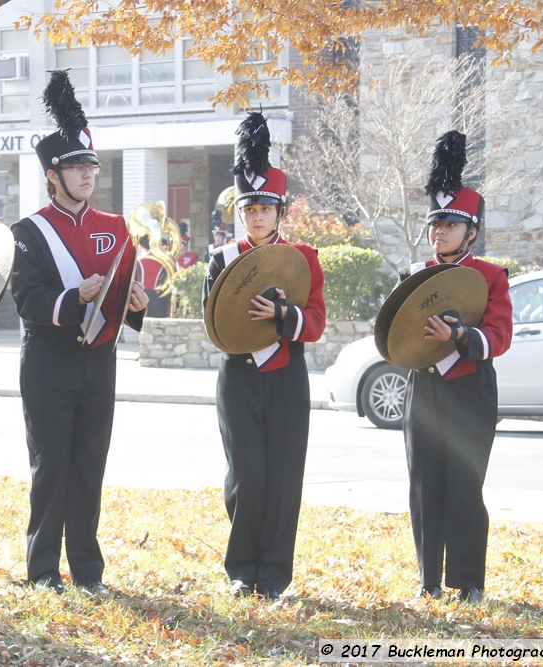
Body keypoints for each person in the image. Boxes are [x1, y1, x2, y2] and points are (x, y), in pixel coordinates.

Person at [11, 70, 148, 596]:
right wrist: (77, 298)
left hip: (100, 358)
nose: (88, 173)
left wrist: (136, 305)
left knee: (90, 462)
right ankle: (43, 569)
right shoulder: (28, 231)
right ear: (53, 174)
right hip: (48, 360)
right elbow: (28, 301)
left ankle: (88, 569)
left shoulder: (116, 226)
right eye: (76, 165)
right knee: (51, 465)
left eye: (91, 164)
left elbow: (129, 289)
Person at [202, 112, 326, 600]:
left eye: (265, 209)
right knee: (246, 477)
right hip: (239, 376)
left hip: (288, 377)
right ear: (241, 212)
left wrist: (282, 314)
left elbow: (314, 325)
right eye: (249, 208)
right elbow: (213, 325)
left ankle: (274, 575)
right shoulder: (221, 258)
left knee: (283, 478)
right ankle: (241, 569)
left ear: (280, 213)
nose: (257, 217)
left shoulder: (304, 258)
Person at [403, 131, 512, 605]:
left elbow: (500, 337)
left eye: (450, 224)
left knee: (466, 486)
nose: (439, 231)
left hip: (470, 390)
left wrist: (460, 337)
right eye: (435, 224)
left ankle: (467, 581)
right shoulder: (412, 273)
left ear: (471, 230)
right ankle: (428, 579)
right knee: (424, 485)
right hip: (423, 390)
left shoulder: (490, 275)